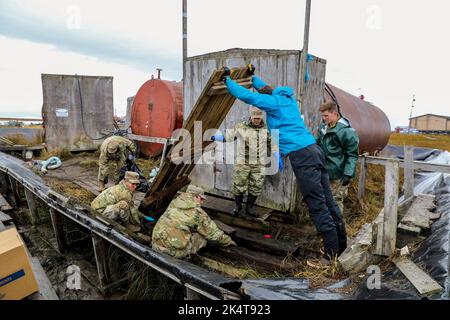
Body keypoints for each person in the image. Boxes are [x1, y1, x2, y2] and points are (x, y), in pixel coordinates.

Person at [223, 64, 347, 264]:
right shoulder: (288, 100)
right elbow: (265, 89)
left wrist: (227, 81)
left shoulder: (274, 102)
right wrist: (254, 78)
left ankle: (329, 256)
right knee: (328, 200)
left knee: (316, 204)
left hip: (302, 156)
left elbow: (250, 97)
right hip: (314, 151)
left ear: (275, 94)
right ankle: (341, 246)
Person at [211, 107, 282, 217]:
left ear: (261, 117)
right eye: (254, 118)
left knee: (256, 186)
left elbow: (273, 143)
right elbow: (228, 137)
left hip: (259, 163)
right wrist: (216, 137)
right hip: (243, 162)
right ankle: (238, 206)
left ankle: (249, 208)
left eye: (258, 118)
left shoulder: (267, 129)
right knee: (239, 185)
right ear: (251, 117)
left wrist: (277, 156)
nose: (256, 120)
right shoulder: (241, 127)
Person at [152, 184, 236, 259]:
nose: (202, 202)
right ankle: (190, 256)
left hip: (155, 246)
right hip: (171, 253)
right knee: (202, 237)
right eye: (201, 198)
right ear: (195, 196)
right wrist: (229, 242)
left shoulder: (173, 203)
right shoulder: (197, 212)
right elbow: (214, 235)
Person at [317, 101, 359, 216]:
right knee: (323, 199)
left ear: (335, 114)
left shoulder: (347, 132)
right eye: (322, 116)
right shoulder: (323, 128)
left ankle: (337, 229)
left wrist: (348, 174)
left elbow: (352, 155)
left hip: (338, 173)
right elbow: (318, 145)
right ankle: (327, 227)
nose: (324, 118)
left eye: (326, 116)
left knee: (335, 201)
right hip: (324, 171)